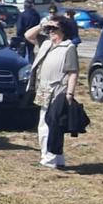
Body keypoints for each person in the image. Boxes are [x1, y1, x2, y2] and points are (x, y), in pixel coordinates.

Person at [25, 15, 80, 169]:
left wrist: (70, 93)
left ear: (63, 30)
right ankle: (55, 157)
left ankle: (49, 157)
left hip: (58, 91)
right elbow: (28, 35)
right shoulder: (46, 43)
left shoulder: (68, 48)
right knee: (46, 123)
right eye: (49, 29)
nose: (51, 31)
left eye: (54, 28)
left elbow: (73, 72)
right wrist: (42, 25)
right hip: (44, 90)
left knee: (51, 125)